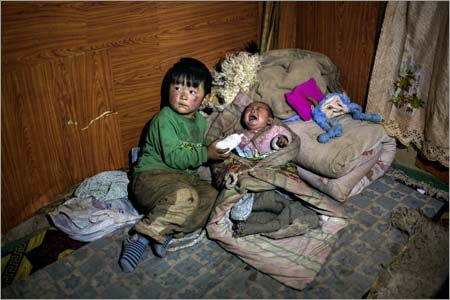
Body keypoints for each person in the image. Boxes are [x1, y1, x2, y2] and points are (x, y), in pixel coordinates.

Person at [119, 57, 229, 272]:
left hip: (183, 179)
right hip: (152, 178)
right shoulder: (164, 119)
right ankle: (140, 236)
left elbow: (194, 145)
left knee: (212, 199)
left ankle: (166, 231)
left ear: (205, 98)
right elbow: (175, 157)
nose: (182, 95)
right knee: (186, 197)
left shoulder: (199, 120)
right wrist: (206, 153)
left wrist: (213, 147)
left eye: (192, 91)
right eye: (177, 87)